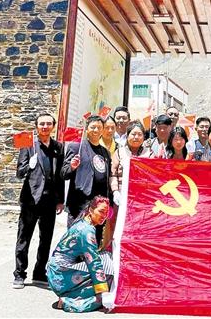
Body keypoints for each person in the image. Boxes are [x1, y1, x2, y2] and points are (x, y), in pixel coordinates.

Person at [13, 113, 65, 289]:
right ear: (36, 126)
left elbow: (60, 176)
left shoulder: (58, 147)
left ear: (53, 126)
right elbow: (19, 173)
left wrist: (60, 200)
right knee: (24, 238)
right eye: (42, 124)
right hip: (31, 200)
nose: (45, 126)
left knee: (46, 239)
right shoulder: (28, 144)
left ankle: (39, 272)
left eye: (48, 124)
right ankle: (19, 274)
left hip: (50, 201)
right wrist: (29, 166)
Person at [47, 196, 112, 313]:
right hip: (60, 275)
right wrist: (103, 291)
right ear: (91, 210)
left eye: (106, 213)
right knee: (108, 277)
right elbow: (93, 262)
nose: (104, 216)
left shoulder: (82, 223)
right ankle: (69, 301)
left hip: (57, 269)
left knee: (105, 261)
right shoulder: (87, 231)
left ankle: (73, 294)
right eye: (101, 211)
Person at [62, 116, 113, 236]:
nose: (96, 130)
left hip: (98, 206)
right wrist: (72, 167)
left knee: (95, 239)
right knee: (76, 238)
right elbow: (64, 173)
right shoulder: (76, 147)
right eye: (93, 127)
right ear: (86, 129)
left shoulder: (105, 152)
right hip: (79, 204)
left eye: (99, 127)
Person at [105, 121, 146, 249]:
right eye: (133, 134)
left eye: (139, 134)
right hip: (121, 196)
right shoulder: (119, 152)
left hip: (141, 198)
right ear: (127, 135)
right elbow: (113, 174)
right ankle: (115, 250)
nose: (136, 137)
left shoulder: (149, 154)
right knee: (118, 223)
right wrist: (115, 191)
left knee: (137, 226)